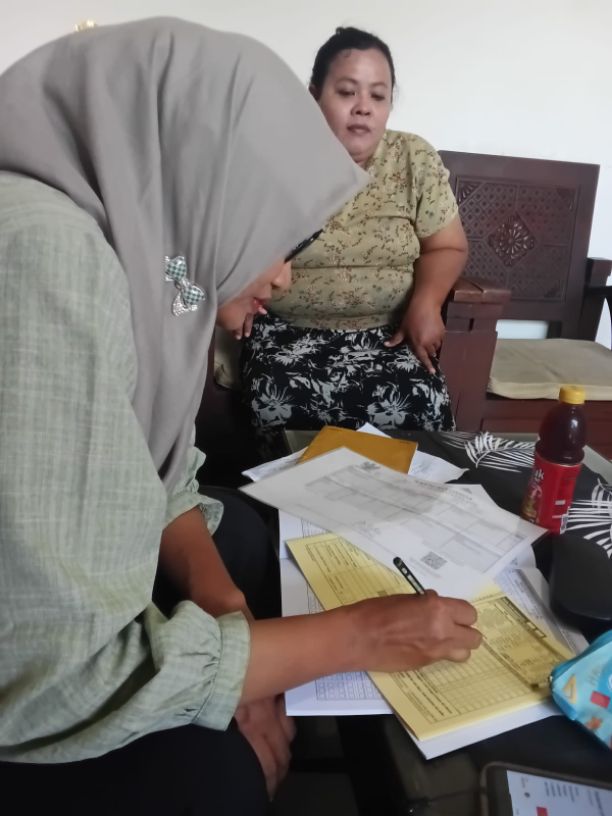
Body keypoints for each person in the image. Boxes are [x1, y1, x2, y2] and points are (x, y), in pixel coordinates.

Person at [0, 18, 481, 816]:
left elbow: (157, 468)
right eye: (276, 233)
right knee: (219, 776)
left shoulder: (155, 258)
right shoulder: (47, 257)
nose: (283, 276)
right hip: (34, 681)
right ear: (207, 180)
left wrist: (233, 626)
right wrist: (354, 638)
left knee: (245, 543)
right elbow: (55, 673)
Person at [241, 26, 468, 445]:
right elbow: (232, 249)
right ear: (314, 96)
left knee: (423, 409)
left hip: (389, 334)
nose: (363, 108)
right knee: (283, 410)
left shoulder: (413, 158)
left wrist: (426, 303)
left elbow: (448, 245)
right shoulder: (275, 157)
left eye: (378, 96)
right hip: (288, 334)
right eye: (347, 92)